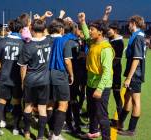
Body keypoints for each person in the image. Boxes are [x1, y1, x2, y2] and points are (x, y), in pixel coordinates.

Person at [79, 12, 114, 140]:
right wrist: (82, 22)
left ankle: (107, 137)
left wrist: (100, 89)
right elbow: (87, 37)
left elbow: (107, 72)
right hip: (91, 83)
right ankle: (93, 132)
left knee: (102, 114)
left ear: (100, 32)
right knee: (92, 111)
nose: (90, 31)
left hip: (102, 86)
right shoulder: (93, 43)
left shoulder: (106, 49)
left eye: (92, 29)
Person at [18, 19, 51, 140]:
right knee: (42, 108)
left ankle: (27, 132)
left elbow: (23, 66)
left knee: (28, 106)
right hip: (44, 80)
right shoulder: (49, 41)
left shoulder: (28, 45)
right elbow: (46, 31)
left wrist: (22, 81)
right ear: (44, 29)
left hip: (31, 80)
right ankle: (40, 136)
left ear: (32, 29)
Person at [0, 19, 24, 136]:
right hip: (17, 78)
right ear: (20, 29)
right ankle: (16, 128)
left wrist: (2, 70)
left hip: (5, 76)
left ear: (9, 28)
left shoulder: (3, 40)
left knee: (1, 101)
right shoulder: (23, 43)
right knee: (16, 102)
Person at [117, 15, 146, 136]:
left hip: (135, 74)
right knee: (127, 97)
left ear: (133, 23)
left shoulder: (138, 37)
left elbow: (136, 59)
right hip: (134, 73)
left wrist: (129, 77)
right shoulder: (138, 36)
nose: (128, 25)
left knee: (135, 100)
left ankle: (131, 130)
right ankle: (120, 123)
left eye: (129, 23)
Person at [49, 18, 74, 140]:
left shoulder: (45, 39)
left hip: (45, 74)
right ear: (61, 29)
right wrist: (72, 74)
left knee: (49, 104)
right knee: (63, 104)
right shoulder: (65, 41)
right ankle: (56, 134)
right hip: (59, 74)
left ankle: (50, 131)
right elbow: (67, 61)